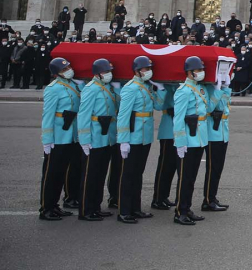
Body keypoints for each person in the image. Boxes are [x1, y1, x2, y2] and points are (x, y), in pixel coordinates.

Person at [116, 56, 163, 224]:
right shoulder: (130, 88)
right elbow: (123, 115)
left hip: (144, 137)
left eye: (149, 68)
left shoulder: (147, 87)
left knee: (138, 174)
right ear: (137, 71)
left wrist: (161, 89)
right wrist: (123, 140)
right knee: (127, 175)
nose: (148, 71)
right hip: (132, 137)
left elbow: (158, 106)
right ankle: (124, 210)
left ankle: (135, 208)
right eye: (145, 69)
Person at [39, 57, 81, 221]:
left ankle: (54, 205)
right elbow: (47, 115)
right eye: (64, 69)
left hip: (71, 136)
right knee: (51, 174)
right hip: (57, 137)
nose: (69, 70)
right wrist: (47, 139)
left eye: (69, 67)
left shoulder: (73, 85)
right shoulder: (53, 89)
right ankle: (46, 208)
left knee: (61, 173)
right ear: (56, 73)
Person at [173, 56, 213, 225]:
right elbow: (178, 118)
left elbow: (207, 110)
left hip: (199, 138)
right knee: (184, 177)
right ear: (189, 73)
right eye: (198, 70)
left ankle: (187, 208)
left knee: (191, 177)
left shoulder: (201, 89)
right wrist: (180, 142)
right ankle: (179, 212)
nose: (201, 73)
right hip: (188, 140)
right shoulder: (183, 91)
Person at [77, 58, 117, 221]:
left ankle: (96, 206)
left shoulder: (108, 88)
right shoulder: (91, 89)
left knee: (100, 174)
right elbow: (84, 115)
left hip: (106, 138)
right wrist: (84, 139)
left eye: (109, 71)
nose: (109, 74)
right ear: (97, 73)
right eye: (106, 72)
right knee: (89, 175)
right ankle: (85, 209)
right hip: (94, 138)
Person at [202, 67, 232, 212]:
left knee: (218, 167)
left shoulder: (218, 87)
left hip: (222, 133)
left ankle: (212, 197)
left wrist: (226, 87)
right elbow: (208, 107)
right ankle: (208, 200)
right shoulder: (208, 88)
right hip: (213, 133)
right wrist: (218, 89)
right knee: (212, 168)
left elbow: (226, 104)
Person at [150, 84, 178, 211]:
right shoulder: (167, 85)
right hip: (169, 129)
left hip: (181, 128)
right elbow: (158, 105)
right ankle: (158, 198)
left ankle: (164, 196)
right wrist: (161, 88)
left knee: (173, 167)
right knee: (165, 166)